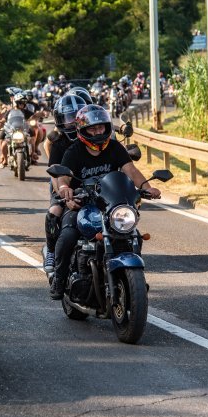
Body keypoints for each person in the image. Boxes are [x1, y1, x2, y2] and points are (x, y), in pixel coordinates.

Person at [51, 105, 162, 299]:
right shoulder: (74, 151)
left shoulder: (114, 147)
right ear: (82, 130)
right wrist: (65, 190)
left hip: (110, 205)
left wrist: (146, 187)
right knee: (68, 235)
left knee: (131, 233)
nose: (98, 132)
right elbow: (63, 178)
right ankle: (59, 280)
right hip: (81, 203)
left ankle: (134, 281)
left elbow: (131, 170)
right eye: (92, 128)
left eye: (101, 127)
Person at [41, 94, 85, 273]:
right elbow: (54, 170)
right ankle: (51, 250)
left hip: (89, 183)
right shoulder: (58, 142)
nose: (71, 123)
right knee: (55, 211)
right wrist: (61, 189)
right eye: (67, 119)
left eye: (75, 118)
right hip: (64, 185)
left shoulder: (91, 134)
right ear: (59, 120)